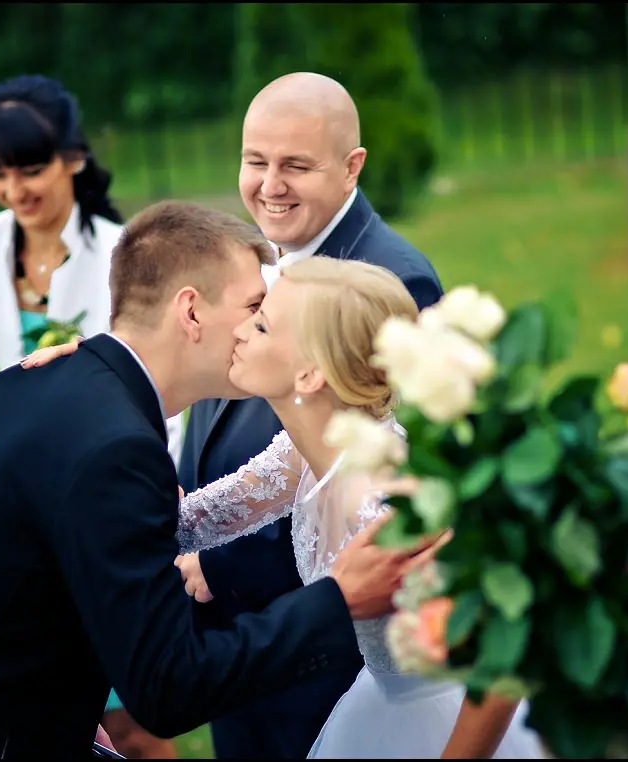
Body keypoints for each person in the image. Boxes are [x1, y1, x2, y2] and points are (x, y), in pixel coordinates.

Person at [0, 202, 445, 759]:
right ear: (191, 311)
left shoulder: (6, 388)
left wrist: (55, 705)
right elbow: (168, 686)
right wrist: (337, 600)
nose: (253, 328)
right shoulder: (119, 450)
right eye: (253, 308)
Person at [26, 255, 544, 758]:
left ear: (310, 375)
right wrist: (103, 373)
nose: (240, 330)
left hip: (450, 726)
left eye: (262, 325)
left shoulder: (386, 501)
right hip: (380, 706)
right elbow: (184, 525)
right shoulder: (301, 453)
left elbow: (502, 666)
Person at [176, 71, 444, 759]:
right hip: (248, 650)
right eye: (255, 161)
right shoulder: (254, 260)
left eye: (295, 165)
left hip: (330, 670)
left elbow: (426, 490)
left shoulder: (392, 282)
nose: (270, 185)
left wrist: (220, 572)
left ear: (351, 166)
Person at [0, 74, 186, 756]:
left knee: (131, 725)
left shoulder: (125, 252)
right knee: (28, 720)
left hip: (98, 506)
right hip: (8, 516)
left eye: (30, 169)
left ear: (73, 157)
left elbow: (158, 394)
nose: (15, 191)